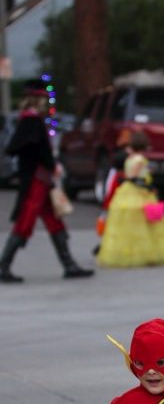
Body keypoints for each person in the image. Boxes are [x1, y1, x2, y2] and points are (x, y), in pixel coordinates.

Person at [0, 80, 93, 284]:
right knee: (26, 221)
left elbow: (19, 148)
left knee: (53, 220)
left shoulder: (29, 121)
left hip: (40, 178)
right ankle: (3, 266)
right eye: (44, 98)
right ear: (37, 99)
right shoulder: (32, 122)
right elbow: (36, 150)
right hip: (36, 179)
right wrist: (51, 165)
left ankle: (69, 265)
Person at [96, 131, 164, 268]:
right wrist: (150, 187)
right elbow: (135, 178)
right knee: (146, 224)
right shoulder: (140, 160)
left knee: (127, 226)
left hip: (126, 192)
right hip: (139, 192)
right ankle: (147, 253)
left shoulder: (129, 158)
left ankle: (125, 252)